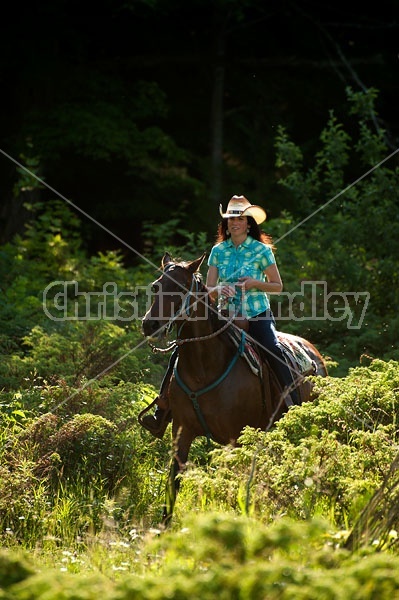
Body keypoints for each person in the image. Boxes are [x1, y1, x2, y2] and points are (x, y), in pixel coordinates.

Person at [140, 195, 299, 438]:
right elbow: (208, 290)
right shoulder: (218, 251)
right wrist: (218, 290)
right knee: (181, 348)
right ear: (225, 223)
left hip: (256, 313)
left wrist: (255, 283)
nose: (234, 223)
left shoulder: (262, 251)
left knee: (272, 348)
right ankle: (162, 410)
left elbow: (277, 285)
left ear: (248, 223)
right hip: (223, 315)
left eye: (239, 218)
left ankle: (294, 407)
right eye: (230, 219)